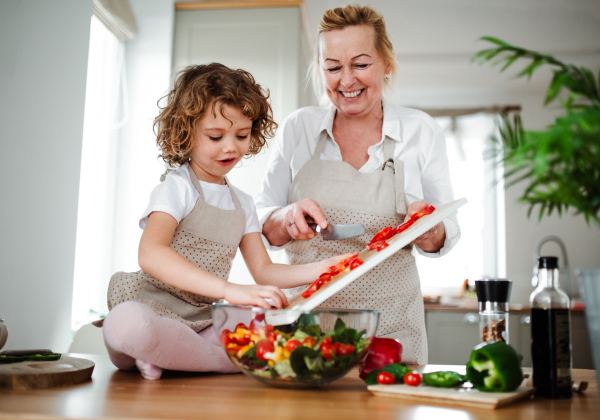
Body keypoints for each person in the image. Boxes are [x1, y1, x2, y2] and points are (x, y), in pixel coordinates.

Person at [100, 63, 353, 380]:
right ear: (186, 131)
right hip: (150, 308)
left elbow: (264, 271)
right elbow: (150, 254)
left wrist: (322, 269)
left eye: (242, 135)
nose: (231, 146)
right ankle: (193, 356)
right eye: (216, 136)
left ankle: (169, 355)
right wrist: (229, 290)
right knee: (125, 324)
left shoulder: (243, 204)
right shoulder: (176, 188)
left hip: (202, 321)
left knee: (267, 323)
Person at [256, 5, 460, 364]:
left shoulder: (420, 131)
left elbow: (446, 230)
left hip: (392, 331)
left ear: (386, 64)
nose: (346, 80)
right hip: (306, 333)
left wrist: (428, 227)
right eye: (333, 67)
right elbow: (263, 226)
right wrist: (286, 217)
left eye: (360, 64)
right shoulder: (298, 129)